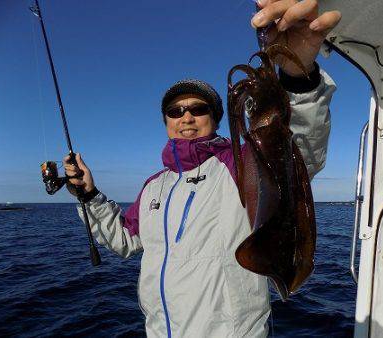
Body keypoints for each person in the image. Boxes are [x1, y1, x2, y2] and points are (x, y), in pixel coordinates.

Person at [64, 1, 341, 336]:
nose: (186, 117)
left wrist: (298, 77)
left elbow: (299, 153)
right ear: (166, 121)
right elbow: (125, 240)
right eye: (175, 110)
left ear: (215, 118)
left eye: (198, 108)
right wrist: (90, 196)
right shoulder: (155, 186)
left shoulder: (238, 163)